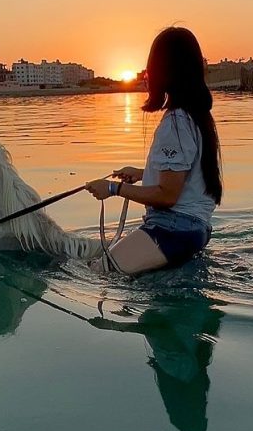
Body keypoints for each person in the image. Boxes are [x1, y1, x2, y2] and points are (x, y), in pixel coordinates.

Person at [85, 27, 223, 274]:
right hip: (197, 229)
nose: (147, 75)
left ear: (164, 71)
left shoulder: (176, 122)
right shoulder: (197, 116)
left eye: (151, 68)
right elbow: (184, 176)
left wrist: (112, 189)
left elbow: (167, 195)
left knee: (98, 274)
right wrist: (142, 173)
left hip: (171, 230)